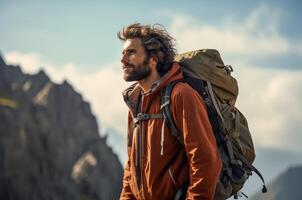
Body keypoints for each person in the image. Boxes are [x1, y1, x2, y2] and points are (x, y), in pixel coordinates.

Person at [118, 23, 222, 200]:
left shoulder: (181, 95)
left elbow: (206, 161)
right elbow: (131, 169)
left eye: (131, 52)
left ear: (153, 59)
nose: (123, 59)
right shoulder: (136, 103)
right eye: (123, 53)